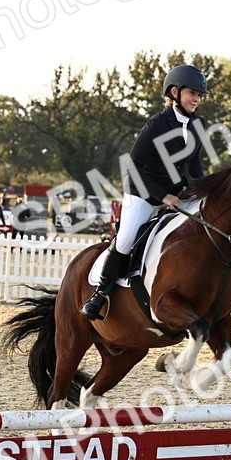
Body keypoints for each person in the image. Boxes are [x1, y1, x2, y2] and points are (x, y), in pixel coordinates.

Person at [81, 64, 208, 320]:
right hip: (143, 192)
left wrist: (204, 191)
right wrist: (163, 197)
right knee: (127, 239)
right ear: (174, 92)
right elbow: (134, 165)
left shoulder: (198, 125)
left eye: (199, 95)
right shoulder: (157, 124)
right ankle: (100, 293)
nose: (197, 99)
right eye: (192, 93)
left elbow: (194, 166)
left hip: (176, 193)